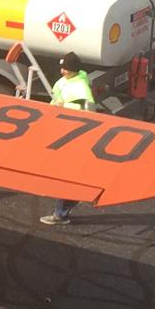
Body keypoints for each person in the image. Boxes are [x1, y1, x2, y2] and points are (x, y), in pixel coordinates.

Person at [40, 53, 98, 226]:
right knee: (67, 174)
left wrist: (63, 107)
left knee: (65, 175)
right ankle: (68, 204)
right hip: (64, 134)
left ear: (73, 70)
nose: (62, 70)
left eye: (65, 68)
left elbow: (86, 113)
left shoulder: (80, 88)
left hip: (73, 136)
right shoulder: (72, 81)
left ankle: (61, 212)